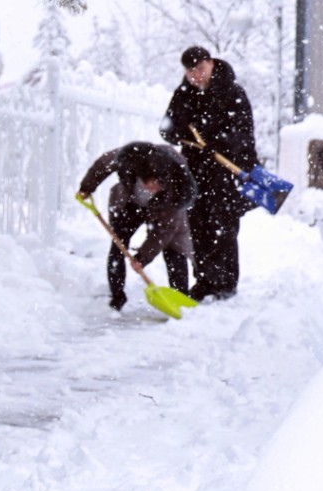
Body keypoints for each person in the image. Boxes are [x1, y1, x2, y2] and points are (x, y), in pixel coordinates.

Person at [160, 46, 256, 300]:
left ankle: (225, 283)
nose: (196, 76)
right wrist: (173, 132)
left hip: (226, 170)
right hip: (194, 170)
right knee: (197, 225)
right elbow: (167, 124)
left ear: (211, 63)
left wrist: (221, 142)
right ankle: (204, 280)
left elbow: (245, 134)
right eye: (191, 72)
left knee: (222, 225)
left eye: (201, 69)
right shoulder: (183, 95)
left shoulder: (232, 93)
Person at [77, 142, 195, 309]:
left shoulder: (176, 189)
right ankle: (117, 297)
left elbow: (164, 232)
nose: (154, 188)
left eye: (160, 185)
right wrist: (87, 187)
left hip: (163, 209)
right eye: (152, 183)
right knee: (118, 244)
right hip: (129, 203)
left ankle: (181, 299)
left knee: (175, 248)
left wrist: (142, 257)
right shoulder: (133, 158)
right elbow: (104, 163)